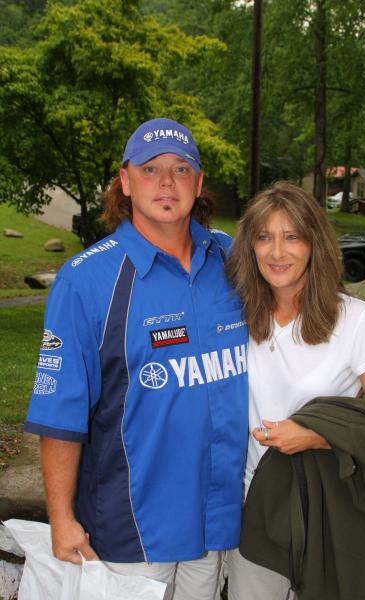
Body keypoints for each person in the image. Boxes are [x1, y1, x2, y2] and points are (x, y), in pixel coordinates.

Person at [25, 117, 248, 600]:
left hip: (216, 519)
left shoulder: (236, 261)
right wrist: (62, 518)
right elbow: (58, 413)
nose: (166, 182)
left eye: (181, 169)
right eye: (149, 169)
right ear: (125, 182)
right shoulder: (85, 280)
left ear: (199, 182)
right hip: (132, 529)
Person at [225, 181, 365, 600]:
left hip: (325, 509)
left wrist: (317, 435)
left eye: (292, 236)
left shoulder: (357, 320)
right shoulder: (235, 317)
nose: (277, 252)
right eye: (264, 237)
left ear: (315, 243)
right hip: (253, 508)